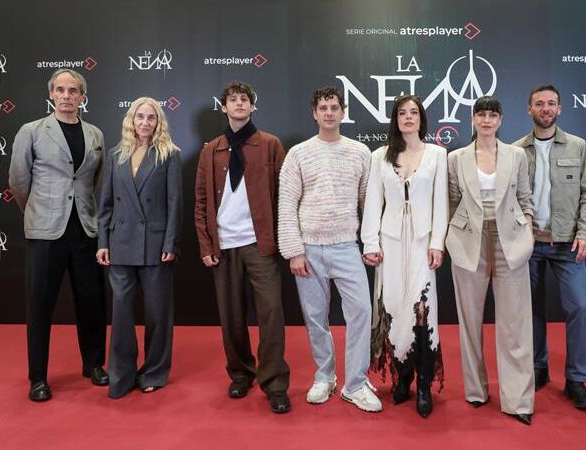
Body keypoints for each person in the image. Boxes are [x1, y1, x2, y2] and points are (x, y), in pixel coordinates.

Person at [278, 86, 381, 412]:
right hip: (308, 249)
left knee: (361, 313)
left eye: (334, 107)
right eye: (323, 108)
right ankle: (325, 376)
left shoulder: (360, 152)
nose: (329, 113)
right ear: (314, 113)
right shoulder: (298, 153)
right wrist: (294, 251)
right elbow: (287, 204)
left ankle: (356, 383)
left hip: (346, 247)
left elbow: (369, 203)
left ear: (342, 112)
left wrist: (371, 242)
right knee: (315, 318)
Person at [9, 69, 108, 402]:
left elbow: (94, 181)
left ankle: (94, 365)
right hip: (45, 232)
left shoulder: (95, 134)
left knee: (92, 301)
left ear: (82, 96)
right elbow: (18, 181)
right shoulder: (32, 131)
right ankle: (38, 377)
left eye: (73, 91)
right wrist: (37, 211)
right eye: (61, 90)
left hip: (86, 230)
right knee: (40, 306)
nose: (67, 95)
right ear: (51, 94)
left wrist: (85, 213)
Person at [194, 81, 291, 414]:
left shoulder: (270, 145)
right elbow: (201, 201)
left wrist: (282, 239)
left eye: (244, 99)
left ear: (253, 105)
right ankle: (240, 373)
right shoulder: (211, 150)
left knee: (271, 314)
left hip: (260, 243)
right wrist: (205, 243)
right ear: (223, 107)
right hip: (224, 245)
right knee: (231, 316)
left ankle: (274, 383)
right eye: (232, 100)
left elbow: (285, 196)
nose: (238, 103)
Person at [446, 96, 536, 425]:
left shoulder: (516, 155)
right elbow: (452, 200)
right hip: (468, 240)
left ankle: (518, 400)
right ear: (473, 119)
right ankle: (476, 391)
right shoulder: (456, 158)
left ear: (500, 120)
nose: (487, 120)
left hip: (510, 239)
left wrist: (527, 230)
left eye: (492, 115)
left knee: (515, 323)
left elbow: (525, 197)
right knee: (469, 320)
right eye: (481, 114)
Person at [512, 85, 586, 410]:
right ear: (529, 109)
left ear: (560, 109)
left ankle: (576, 380)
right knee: (531, 309)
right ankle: (538, 366)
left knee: (579, 307)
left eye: (551, 103)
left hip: (568, 244)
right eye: (539, 104)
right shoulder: (516, 151)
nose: (545, 108)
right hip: (529, 244)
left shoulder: (578, 146)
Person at [361, 95, 448, 418]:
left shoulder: (437, 154)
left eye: (414, 112)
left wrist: (437, 243)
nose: (408, 117)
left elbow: (441, 203)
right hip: (390, 242)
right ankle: (402, 378)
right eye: (402, 113)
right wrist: (370, 242)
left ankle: (424, 384)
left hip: (423, 242)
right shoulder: (380, 156)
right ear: (395, 120)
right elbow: (373, 201)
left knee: (422, 311)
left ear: (421, 119)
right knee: (394, 310)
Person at [96, 97, 182, 398]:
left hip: (155, 245)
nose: (145, 122)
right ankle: (121, 375)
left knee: (157, 312)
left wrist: (170, 242)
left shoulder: (169, 155)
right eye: (140, 117)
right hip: (120, 242)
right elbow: (105, 204)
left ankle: (154, 372)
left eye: (151, 117)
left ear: (158, 122)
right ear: (131, 120)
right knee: (121, 312)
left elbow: (174, 203)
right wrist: (103, 242)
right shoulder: (116, 155)